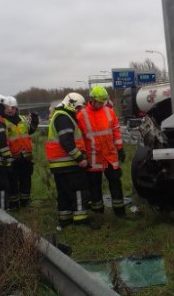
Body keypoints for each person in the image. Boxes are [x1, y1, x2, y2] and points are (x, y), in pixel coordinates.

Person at [46, 92, 96, 229]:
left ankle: (65, 220)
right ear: (72, 104)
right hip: (69, 163)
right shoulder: (64, 117)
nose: (80, 110)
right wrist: (80, 158)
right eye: (79, 107)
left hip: (59, 163)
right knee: (79, 190)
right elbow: (67, 142)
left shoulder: (60, 115)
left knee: (63, 192)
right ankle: (80, 219)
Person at [77, 86, 127, 217]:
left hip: (110, 155)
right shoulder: (82, 115)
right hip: (93, 158)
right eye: (99, 102)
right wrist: (81, 155)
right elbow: (79, 137)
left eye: (103, 102)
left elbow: (115, 130)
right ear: (92, 100)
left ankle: (120, 212)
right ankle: (98, 213)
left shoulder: (109, 112)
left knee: (116, 183)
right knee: (94, 187)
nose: (101, 105)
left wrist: (120, 148)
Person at [3, 96, 39, 208]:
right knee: (13, 182)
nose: (10, 110)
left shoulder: (22, 119)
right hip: (13, 157)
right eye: (7, 108)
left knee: (26, 180)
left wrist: (35, 122)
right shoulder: (2, 121)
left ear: (16, 108)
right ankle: (14, 204)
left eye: (12, 108)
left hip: (26, 156)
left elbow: (30, 131)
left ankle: (26, 201)